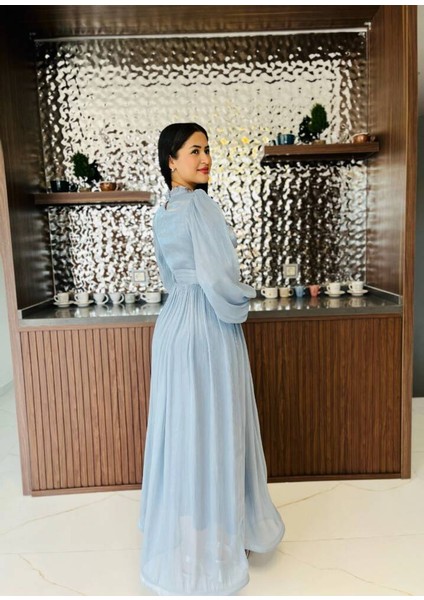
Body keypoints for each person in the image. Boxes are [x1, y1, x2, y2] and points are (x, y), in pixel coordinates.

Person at [139, 123, 285, 595]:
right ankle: (224, 532)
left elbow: (172, 276)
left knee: (184, 429)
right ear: (171, 160)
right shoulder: (201, 206)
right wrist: (246, 297)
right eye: (194, 150)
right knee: (219, 426)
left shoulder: (163, 210)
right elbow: (220, 278)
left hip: (172, 326)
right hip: (206, 327)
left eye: (207, 150)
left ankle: (190, 532)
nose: (205, 159)